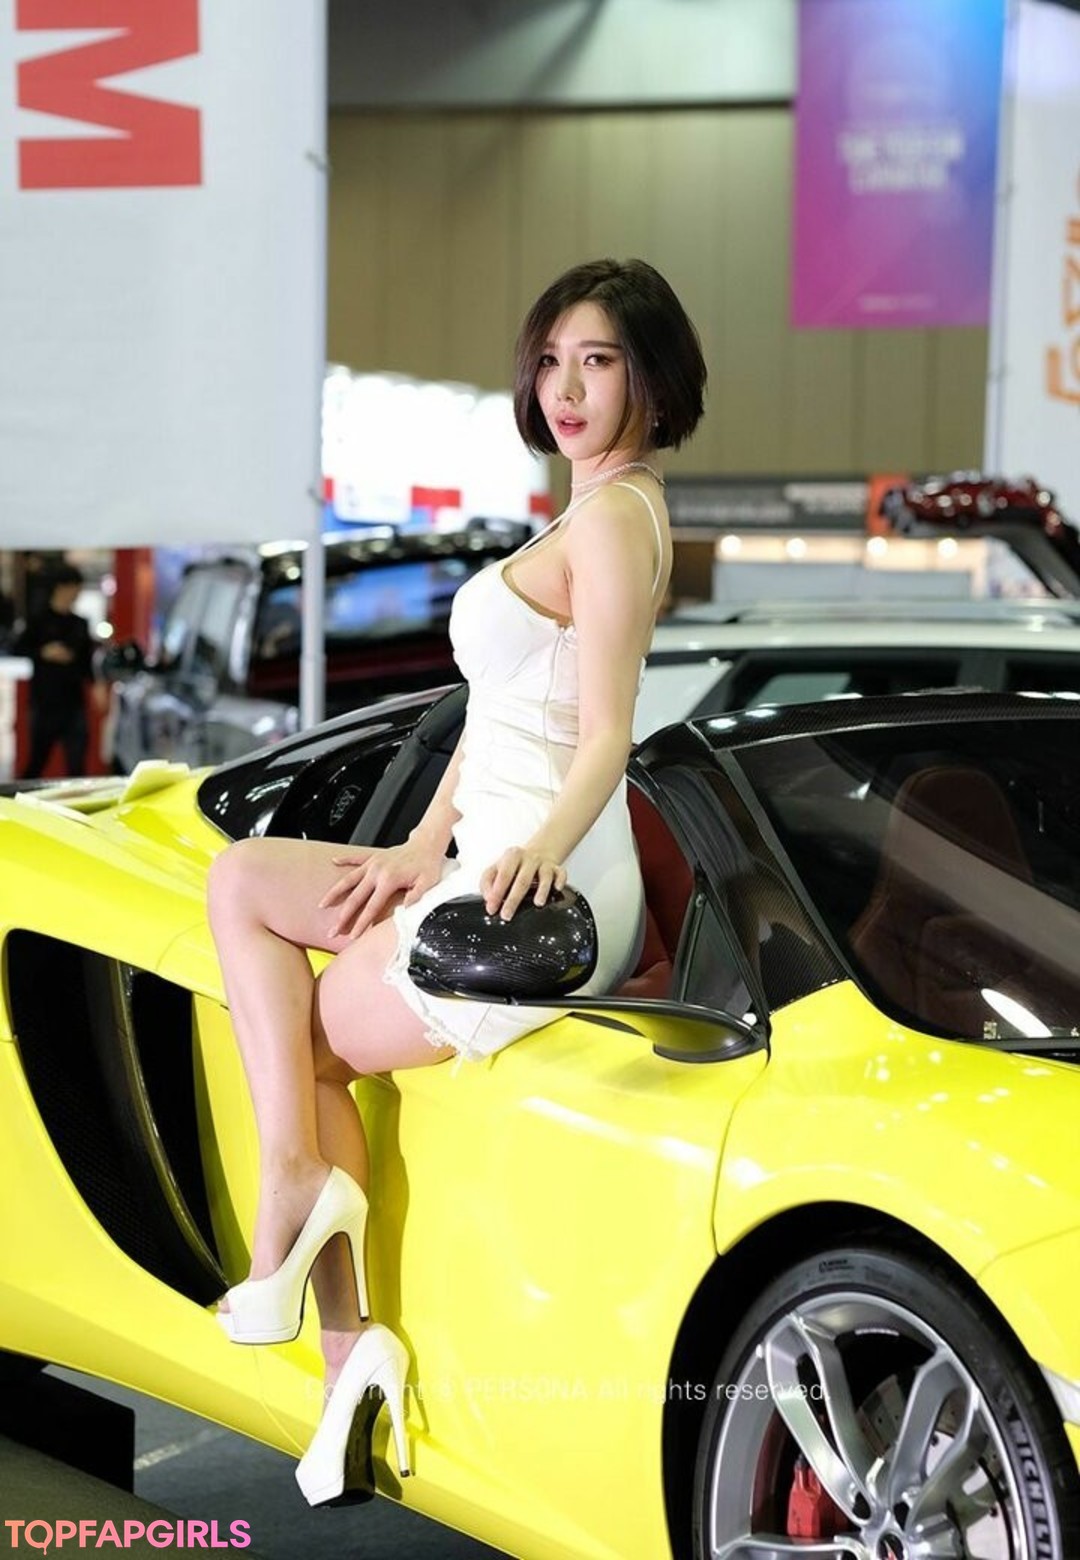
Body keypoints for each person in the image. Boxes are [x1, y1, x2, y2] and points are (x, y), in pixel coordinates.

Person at [206, 257, 707, 1505]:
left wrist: (536, 850)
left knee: (306, 1037)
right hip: (489, 852)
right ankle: (329, 1293)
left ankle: (326, 1298)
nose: (567, 389)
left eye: (598, 362)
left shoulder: (614, 520)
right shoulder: (591, 510)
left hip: (538, 890)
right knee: (248, 884)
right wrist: (421, 842)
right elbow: (498, 710)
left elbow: (607, 733)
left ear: (650, 377)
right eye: (551, 363)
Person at [14, 561, 100, 778]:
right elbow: (19, 647)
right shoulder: (38, 620)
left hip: (74, 702)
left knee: (77, 765)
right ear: (61, 588)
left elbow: (87, 662)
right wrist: (44, 652)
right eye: (74, 588)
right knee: (37, 761)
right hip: (45, 701)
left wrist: (96, 685)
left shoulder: (80, 624)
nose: (76, 594)